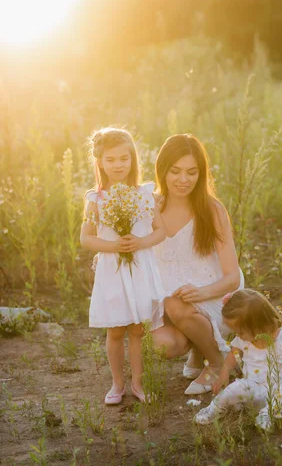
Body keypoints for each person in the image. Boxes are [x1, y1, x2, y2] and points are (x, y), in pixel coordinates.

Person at [151, 134, 244, 394]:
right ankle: (202, 347)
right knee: (163, 345)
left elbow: (232, 277)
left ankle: (217, 363)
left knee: (175, 303)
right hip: (172, 301)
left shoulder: (211, 210)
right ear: (162, 170)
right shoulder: (150, 208)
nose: (184, 180)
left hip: (214, 293)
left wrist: (201, 292)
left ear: (201, 173)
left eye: (192, 172)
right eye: (176, 171)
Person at [80, 127, 166, 405]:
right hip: (112, 270)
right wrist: (115, 246)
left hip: (139, 267)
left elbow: (160, 232)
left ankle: (138, 384)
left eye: (123, 159)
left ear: (133, 160)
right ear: (100, 163)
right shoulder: (95, 199)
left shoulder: (144, 194)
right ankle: (117, 384)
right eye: (111, 159)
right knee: (116, 329)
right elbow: (86, 239)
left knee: (137, 329)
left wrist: (140, 242)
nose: (118, 165)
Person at [194, 289, 282, 428]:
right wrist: (224, 374)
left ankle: (269, 413)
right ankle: (215, 409)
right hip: (255, 391)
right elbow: (232, 356)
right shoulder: (243, 341)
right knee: (236, 387)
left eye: (241, 331)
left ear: (260, 325)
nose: (238, 335)